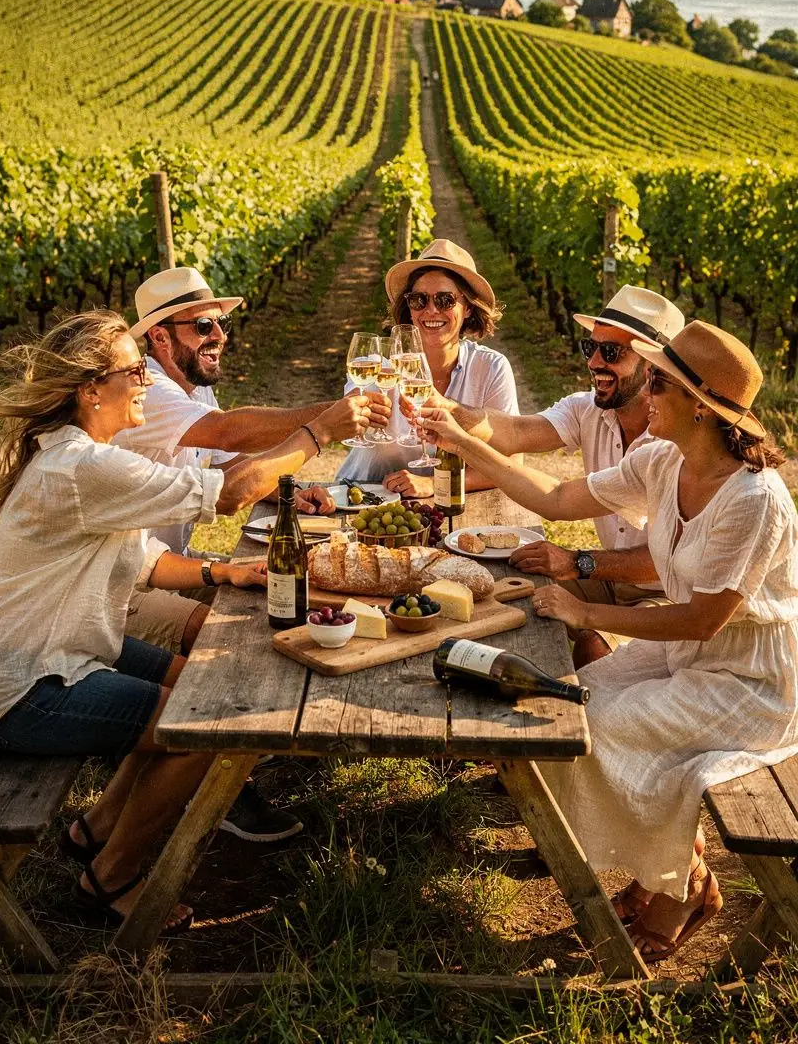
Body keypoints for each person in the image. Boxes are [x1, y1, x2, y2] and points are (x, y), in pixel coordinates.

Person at [0, 310, 375, 922]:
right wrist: (315, 435)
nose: (145, 380)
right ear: (90, 390)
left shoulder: (79, 456)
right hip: (23, 683)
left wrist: (223, 574)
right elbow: (230, 489)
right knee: (207, 721)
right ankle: (111, 882)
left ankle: (94, 831)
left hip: (70, 645)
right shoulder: (83, 466)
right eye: (133, 370)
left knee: (192, 683)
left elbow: (137, 555)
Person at [423, 321, 798, 962]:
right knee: (564, 707)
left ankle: (676, 888)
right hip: (692, 656)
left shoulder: (754, 500)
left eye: (658, 382)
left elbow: (703, 618)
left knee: (600, 727)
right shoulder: (663, 460)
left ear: (703, 409)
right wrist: (461, 441)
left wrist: (578, 608)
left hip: (752, 679)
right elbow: (556, 494)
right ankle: (679, 873)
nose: (644, 393)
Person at [114, 267, 389, 660]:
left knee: (286, 595)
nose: (220, 336)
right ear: (159, 336)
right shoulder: (148, 389)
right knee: (238, 642)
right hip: (125, 584)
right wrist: (326, 424)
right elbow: (230, 435)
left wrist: (286, 491)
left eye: (222, 323)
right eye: (204, 325)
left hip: (173, 565)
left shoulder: (192, 388)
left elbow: (230, 467)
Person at [420, 285, 685, 666]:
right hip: (605, 577)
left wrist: (579, 562)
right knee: (499, 593)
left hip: (666, 595)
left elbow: (667, 560)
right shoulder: (589, 410)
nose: (594, 362)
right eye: (589, 348)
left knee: (594, 649)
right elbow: (515, 431)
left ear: (652, 368)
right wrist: (449, 409)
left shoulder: (671, 447)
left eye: (611, 352)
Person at [336, 239, 519, 496]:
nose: (431, 310)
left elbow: (511, 464)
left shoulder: (491, 369)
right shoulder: (382, 368)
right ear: (409, 309)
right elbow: (347, 411)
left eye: (445, 300)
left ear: (467, 308)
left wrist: (435, 483)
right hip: (359, 498)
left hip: (446, 507)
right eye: (419, 300)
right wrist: (358, 408)